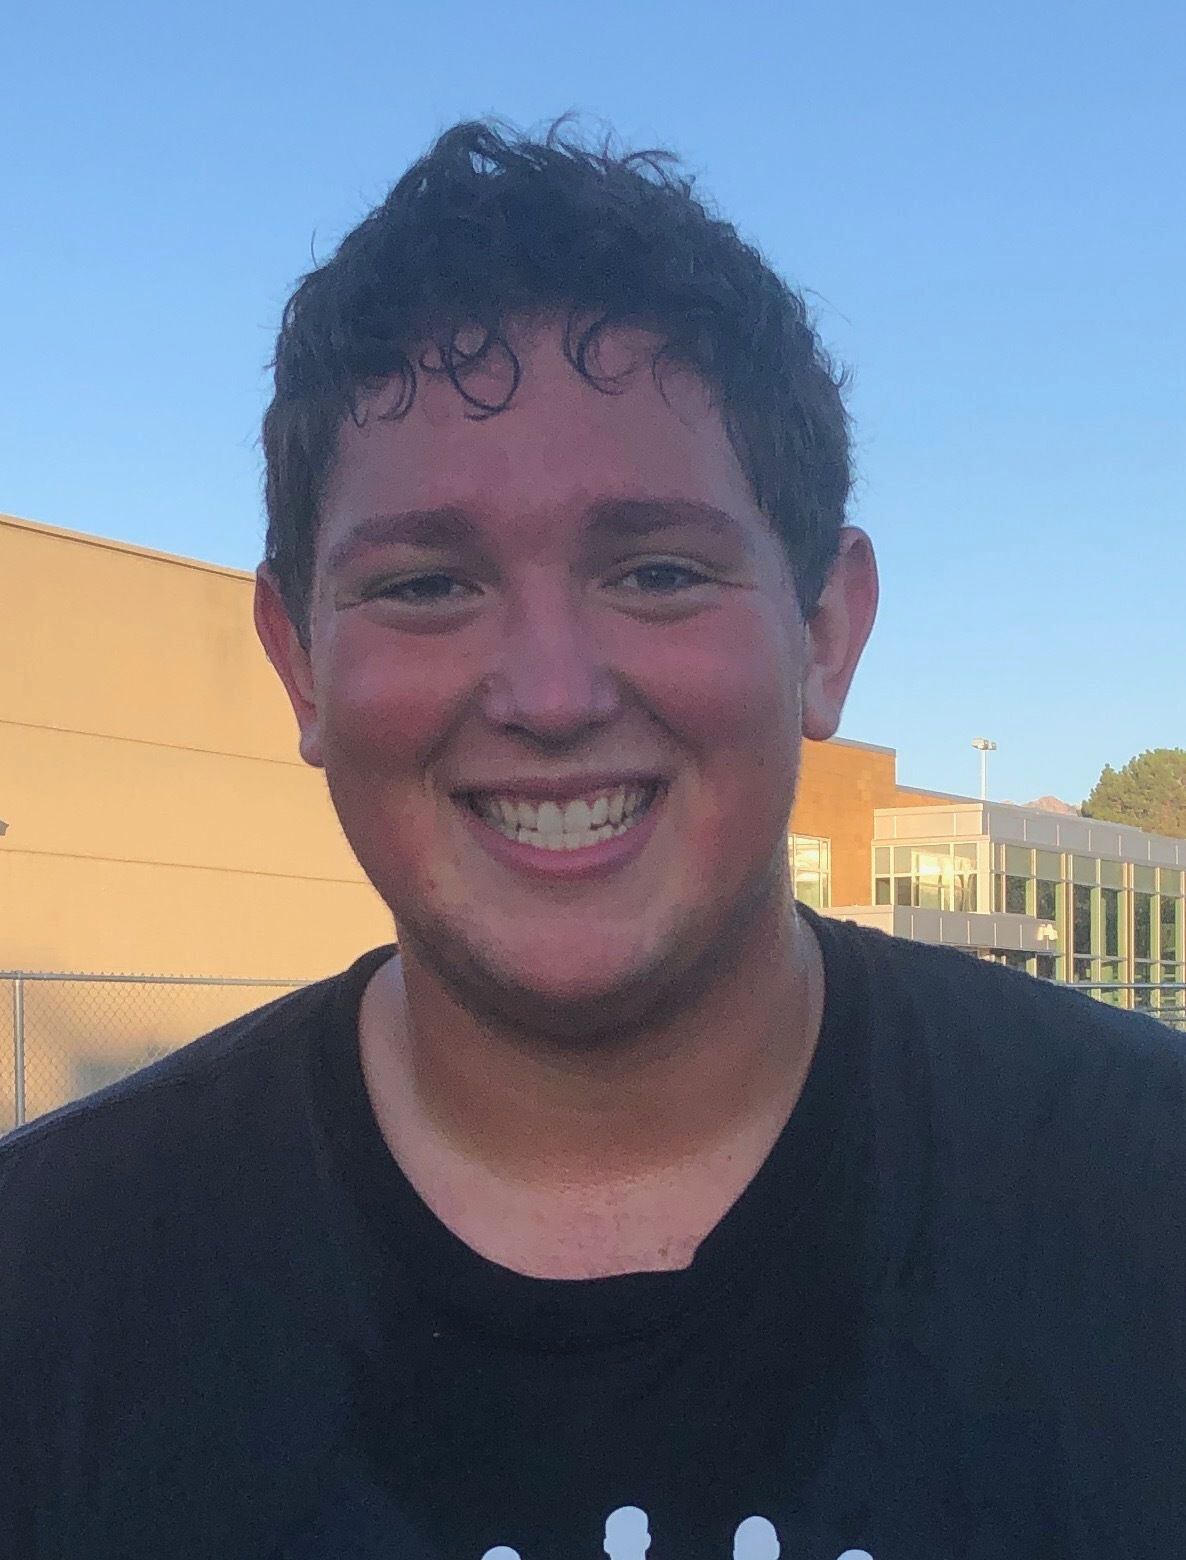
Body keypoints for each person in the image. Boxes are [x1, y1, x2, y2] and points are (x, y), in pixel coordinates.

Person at [1, 117, 1183, 1560]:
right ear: (298, 661)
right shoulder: (49, 1288)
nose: (551, 695)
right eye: (426, 585)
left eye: (658, 571)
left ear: (824, 632)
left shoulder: (1141, 1204)